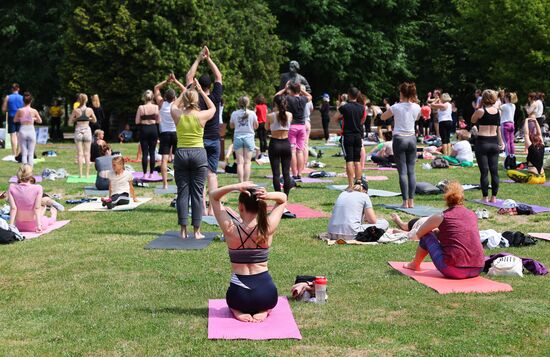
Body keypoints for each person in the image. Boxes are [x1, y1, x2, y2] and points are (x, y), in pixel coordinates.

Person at [209, 182, 287, 322]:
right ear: (261, 205)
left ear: (240, 206)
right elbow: (283, 198)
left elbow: (213, 196)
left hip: (238, 297)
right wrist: (268, 195)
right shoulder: (267, 228)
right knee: (265, 301)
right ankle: (264, 310)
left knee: (234, 301)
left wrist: (235, 186)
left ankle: (237, 311)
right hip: (266, 295)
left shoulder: (230, 229)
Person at [403, 181, 485, 279]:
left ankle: (415, 264)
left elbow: (418, 234)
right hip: (478, 268)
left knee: (427, 235)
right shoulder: (472, 214)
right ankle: (415, 264)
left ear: (446, 197)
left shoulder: (441, 216)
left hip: (454, 270)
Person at [170, 78, 216, 239]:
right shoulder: (201, 115)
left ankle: (183, 231)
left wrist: (185, 91)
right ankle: (197, 231)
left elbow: (173, 105)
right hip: (198, 154)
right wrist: (202, 92)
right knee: (197, 193)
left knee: (182, 192)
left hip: (181, 154)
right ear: (196, 101)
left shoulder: (177, 114)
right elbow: (213, 107)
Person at [186, 46, 223, 216]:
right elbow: (219, 76)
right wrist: (209, 59)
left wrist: (199, 58)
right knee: (212, 175)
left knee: (200, 175)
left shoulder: (194, 97)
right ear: (211, 86)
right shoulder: (215, 97)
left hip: (199, 140)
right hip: (214, 139)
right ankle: (212, 209)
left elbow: (189, 76)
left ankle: (201, 208)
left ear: (199, 84)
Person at [381, 82, 421, 208]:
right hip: (412, 138)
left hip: (399, 139)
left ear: (402, 93)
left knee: (402, 172)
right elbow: (417, 118)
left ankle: (405, 202)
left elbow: (383, 117)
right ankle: (412, 201)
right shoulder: (416, 106)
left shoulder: (396, 107)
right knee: (411, 171)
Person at [274, 82, 313, 180]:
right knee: (300, 151)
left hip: (292, 127)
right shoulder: (303, 99)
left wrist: (284, 88)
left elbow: (276, 96)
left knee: (292, 151)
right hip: (302, 127)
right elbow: (310, 96)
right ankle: (300, 173)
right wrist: (301, 90)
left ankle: (294, 173)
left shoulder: (288, 98)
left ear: (290, 90)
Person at [8, 164, 64, 232]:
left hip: (18, 226)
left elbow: (13, 208)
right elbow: (37, 208)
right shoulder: (38, 188)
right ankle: (53, 215)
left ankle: (46, 209)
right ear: (31, 175)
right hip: (34, 225)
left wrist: (11, 226)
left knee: (42, 210)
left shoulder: (11, 187)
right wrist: (38, 226)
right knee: (46, 219)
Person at [471, 90, 504, 203]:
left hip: (482, 142)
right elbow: (498, 129)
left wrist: (479, 106)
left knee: (484, 171)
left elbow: (472, 120)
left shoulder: (480, 111)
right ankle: (494, 197)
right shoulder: (498, 112)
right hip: (494, 141)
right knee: (494, 171)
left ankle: (485, 197)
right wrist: (501, 142)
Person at [155, 73, 186, 189]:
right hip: (176, 133)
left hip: (164, 134)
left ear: (165, 96)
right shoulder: (177, 104)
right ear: (174, 97)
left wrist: (167, 81)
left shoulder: (161, 103)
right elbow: (185, 90)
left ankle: (165, 185)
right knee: (178, 159)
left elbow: (156, 88)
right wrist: (176, 80)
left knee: (164, 160)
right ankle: (180, 183)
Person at [337, 87, 366, 190]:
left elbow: (335, 118)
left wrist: (343, 118)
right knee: (357, 160)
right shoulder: (362, 107)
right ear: (358, 95)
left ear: (349, 95)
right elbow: (363, 120)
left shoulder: (345, 107)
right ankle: (359, 184)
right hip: (358, 135)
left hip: (347, 135)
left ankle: (350, 185)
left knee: (349, 160)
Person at [266, 95, 292, 200]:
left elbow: (266, 127)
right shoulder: (289, 114)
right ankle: (286, 196)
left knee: (276, 173)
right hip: (286, 144)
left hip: (275, 144)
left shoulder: (270, 116)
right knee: (286, 173)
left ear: (275, 104)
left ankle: (279, 197)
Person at [230, 96, 259, 183]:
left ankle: (240, 183)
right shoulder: (252, 113)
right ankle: (246, 183)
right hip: (249, 137)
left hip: (238, 137)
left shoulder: (234, 113)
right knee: (247, 162)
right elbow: (256, 126)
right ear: (248, 103)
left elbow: (231, 126)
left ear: (239, 103)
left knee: (239, 163)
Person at [69, 93, 98, 178]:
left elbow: (70, 123)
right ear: (86, 100)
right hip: (87, 131)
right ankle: (87, 174)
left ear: (79, 100)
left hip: (78, 131)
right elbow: (95, 120)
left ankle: (80, 174)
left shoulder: (76, 110)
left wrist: (77, 118)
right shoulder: (90, 110)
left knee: (80, 154)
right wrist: (88, 118)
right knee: (87, 153)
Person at [12, 92, 42, 166]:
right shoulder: (34, 111)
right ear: (31, 101)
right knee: (31, 153)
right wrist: (33, 118)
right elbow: (40, 121)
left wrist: (22, 118)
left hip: (23, 130)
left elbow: (15, 120)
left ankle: (24, 171)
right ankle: (30, 171)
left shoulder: (20, 110)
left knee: (24, 153)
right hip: (31, 130)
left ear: (23, 101)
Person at [135, 90, 160, 179]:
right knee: (152, 152)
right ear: (152, 97)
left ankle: (145, 173)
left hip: (144, 129)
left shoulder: (141, 107)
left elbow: (137, 121)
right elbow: (158, 121)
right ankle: (151, 174)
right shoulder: (156, 107)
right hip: (153, 129)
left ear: (144, 97)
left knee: (145, 153)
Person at [2, 83, 24, 156]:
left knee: (13, 135)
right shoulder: (22, 97)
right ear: (18, 89)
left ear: (12, 89)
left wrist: (8, 109)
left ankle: (14, 154)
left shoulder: (8, 97)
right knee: (19, 135)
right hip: (21, 117)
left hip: (11, 116)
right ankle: (19, 154)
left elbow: (3, 109)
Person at [500, 92, 517, 157]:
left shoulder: (504, 106)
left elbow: (497, 107)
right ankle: (512, 155)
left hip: (505, 124)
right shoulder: (513, 105)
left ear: (507, 98)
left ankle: (508, 156)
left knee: (506, 142)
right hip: (512, 124)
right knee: (511, 141)